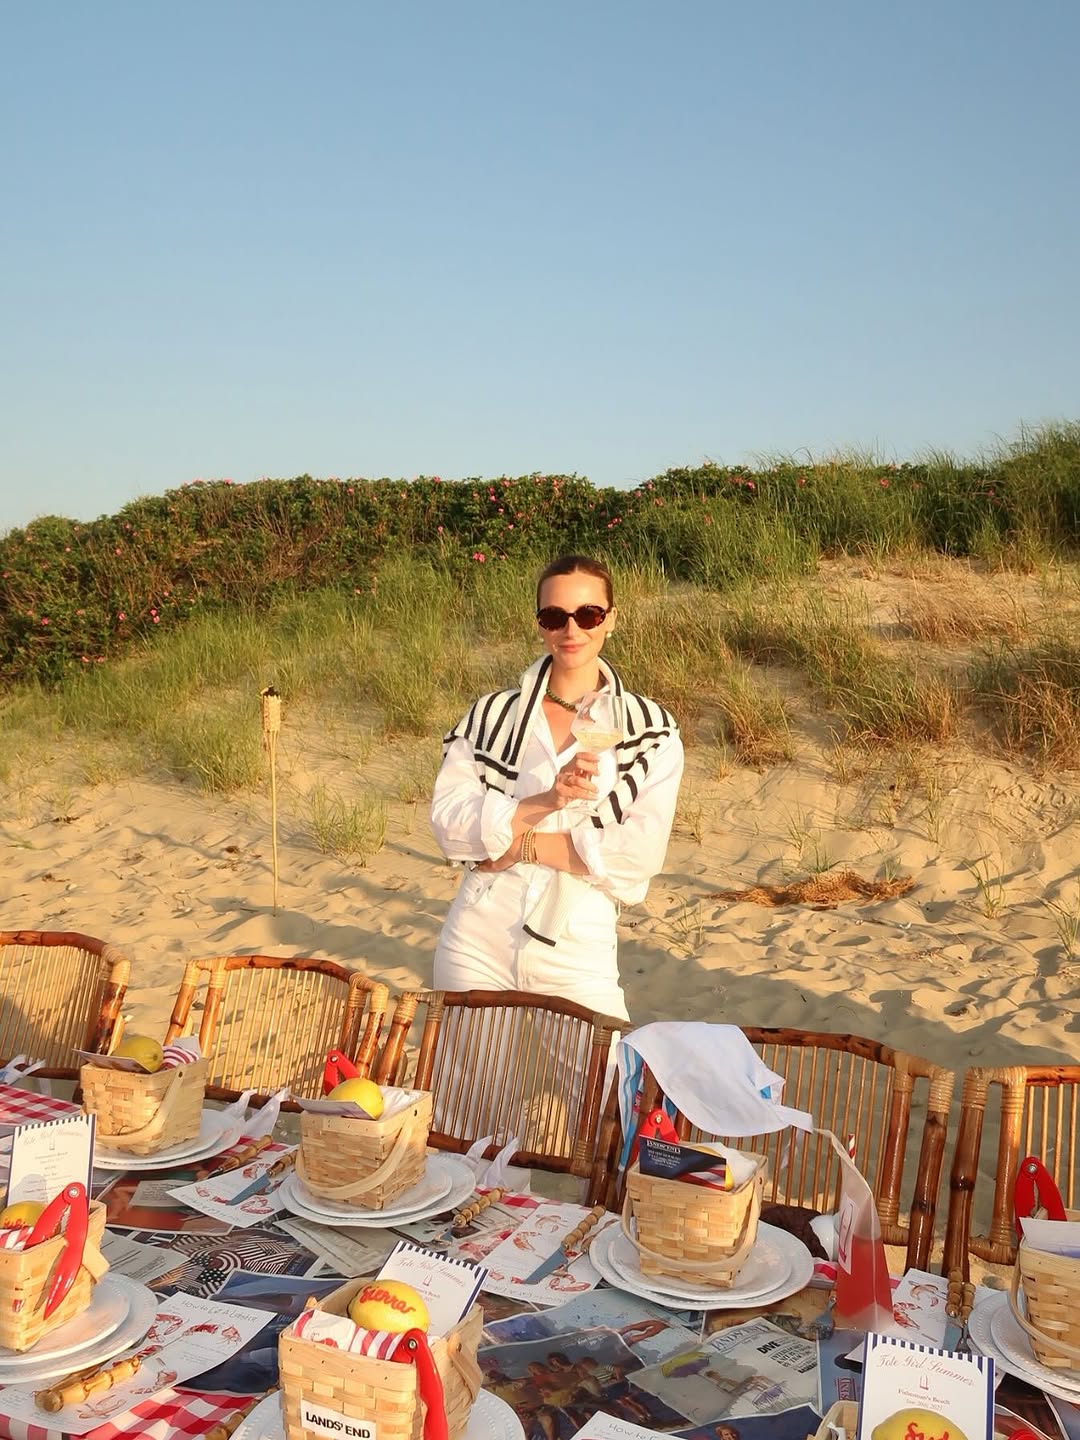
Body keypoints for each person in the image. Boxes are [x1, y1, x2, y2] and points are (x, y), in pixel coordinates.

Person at [431, 554, 684, 1021]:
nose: (572, 630)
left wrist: (520, 845)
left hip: (578, 941)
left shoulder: (649, 728)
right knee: (467, 1071)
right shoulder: (491, 716)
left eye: (588, 614)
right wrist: (546, 801)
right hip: (479, 934)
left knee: (601, 1068)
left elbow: (638, 854)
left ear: (611, 619)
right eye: (554, 616)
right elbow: (450, 827)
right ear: (540, 624)